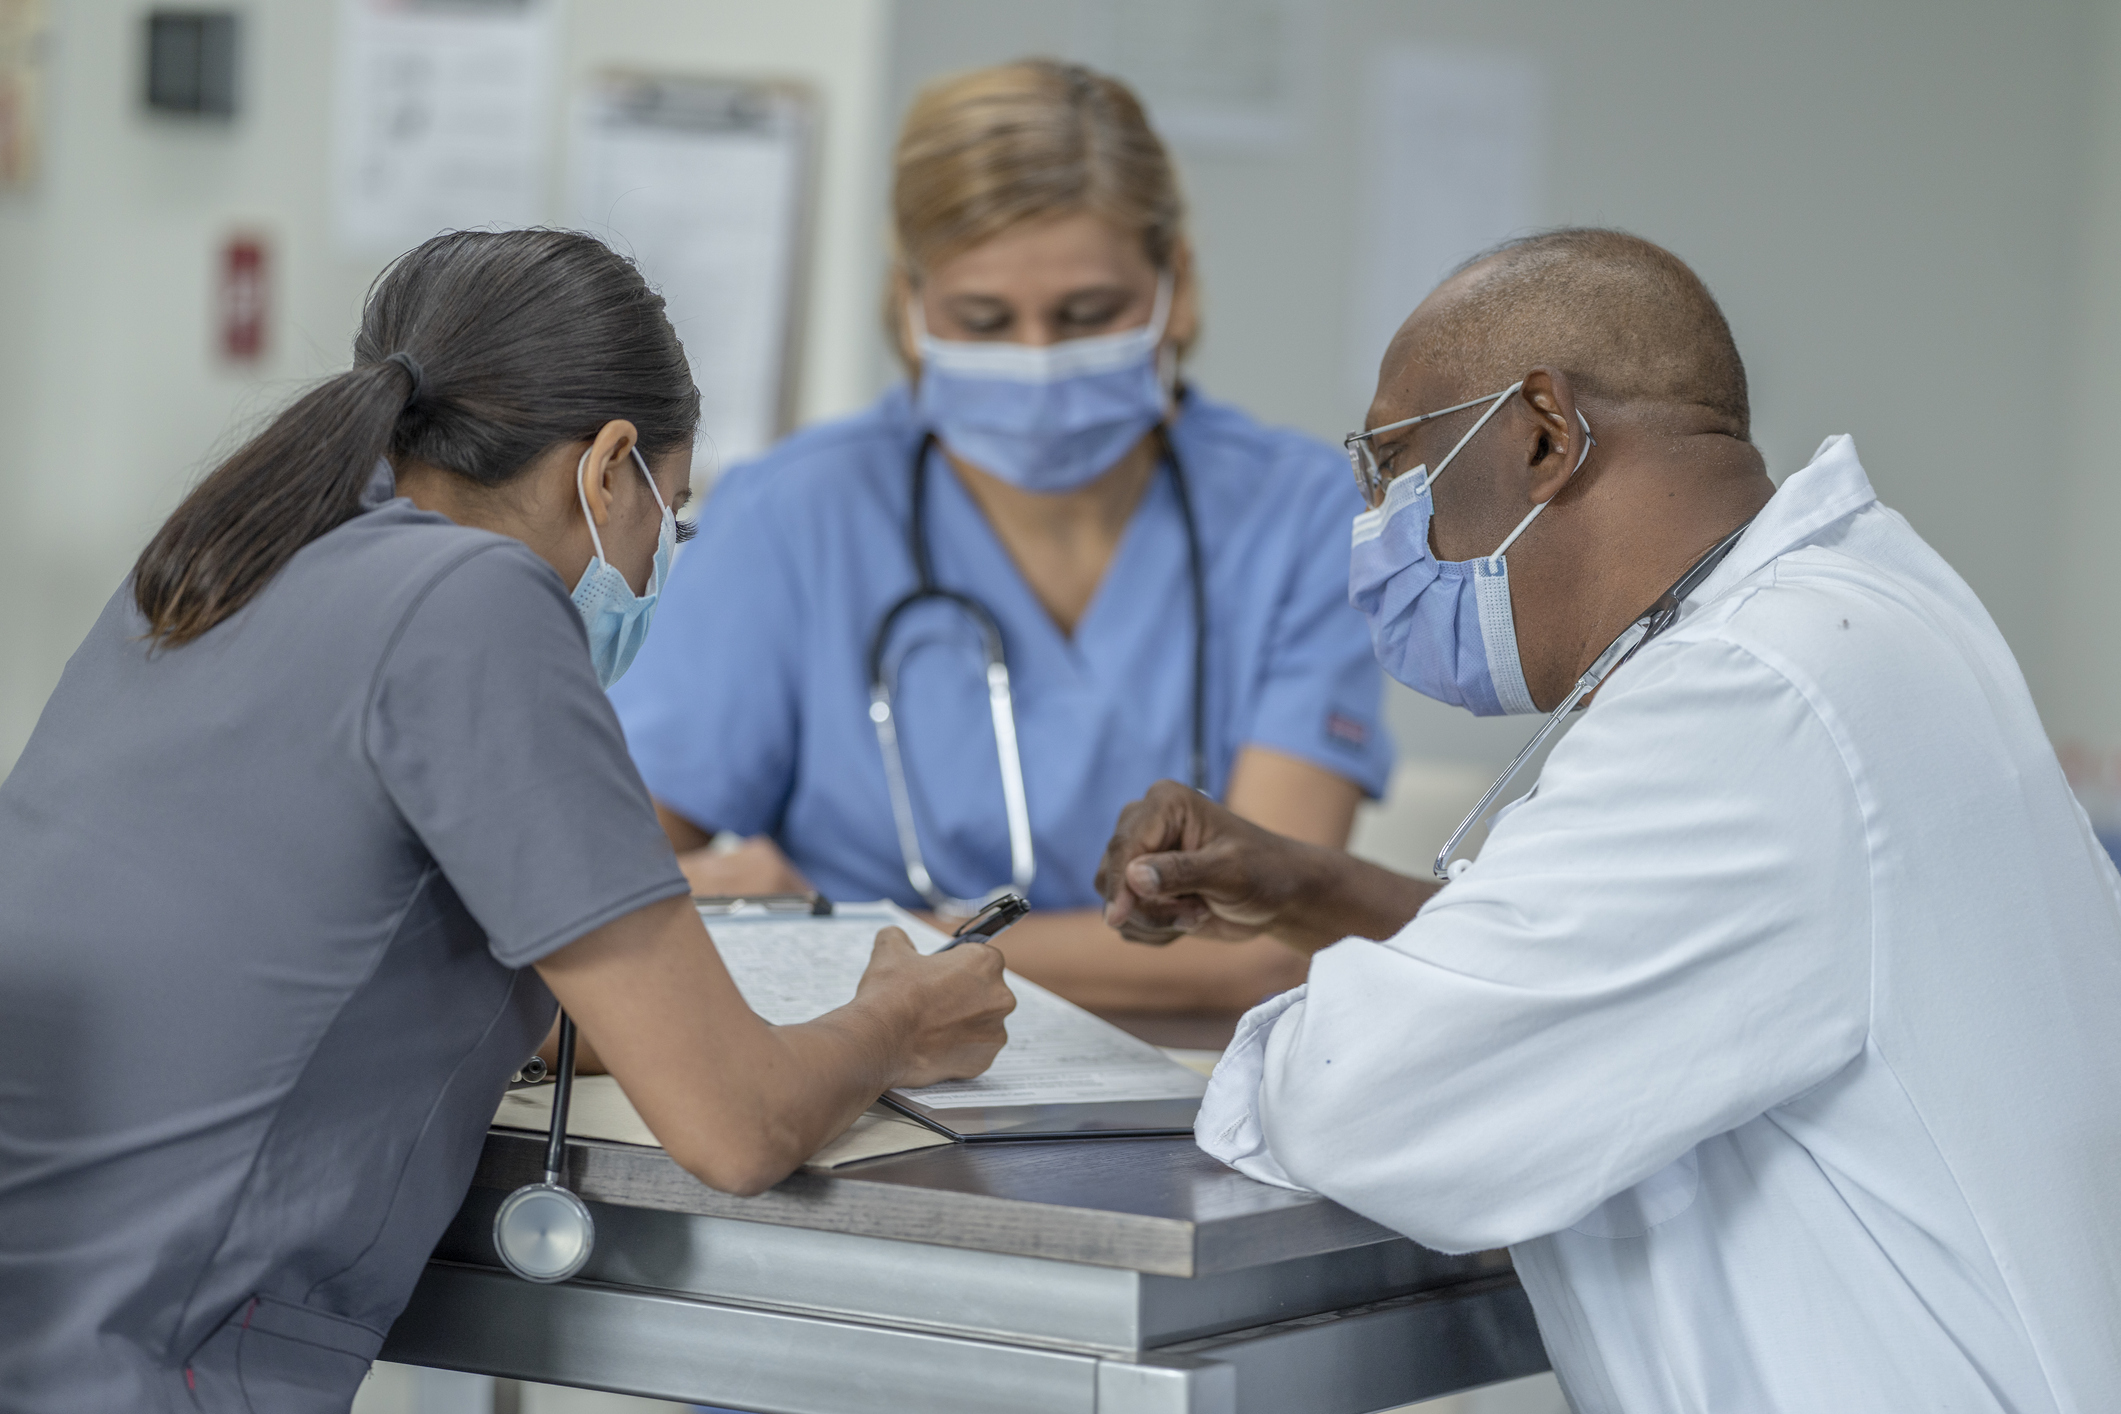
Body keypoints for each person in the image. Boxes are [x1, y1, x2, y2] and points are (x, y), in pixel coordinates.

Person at [1096, 230, 2121, 1411]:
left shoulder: (1746, 696)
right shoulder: (1856, 613)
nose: (1379, 531)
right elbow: (1687, 967)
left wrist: (1301, 1020)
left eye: (1392, 466)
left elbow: (1370, 1100)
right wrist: (1322, 895)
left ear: (1542, 432)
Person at [0, 230, 1014, 1414]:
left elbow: (276, 955)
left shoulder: (218, 560)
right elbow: (736, 1126)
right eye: (668, 523)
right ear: (608, 466)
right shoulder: (478, 600)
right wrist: (896, 1019)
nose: (653, 568)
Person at [611, 60, 1392, 1021]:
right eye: (983, 320)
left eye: (1085, 316)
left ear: (1175, 288)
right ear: (908, 308)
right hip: (856, 1076)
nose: (1036, 362)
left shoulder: (1298, 513)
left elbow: (1263, 944)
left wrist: (865, 936)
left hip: (1190, 1095)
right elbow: (619, 874)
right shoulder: (793, 514)